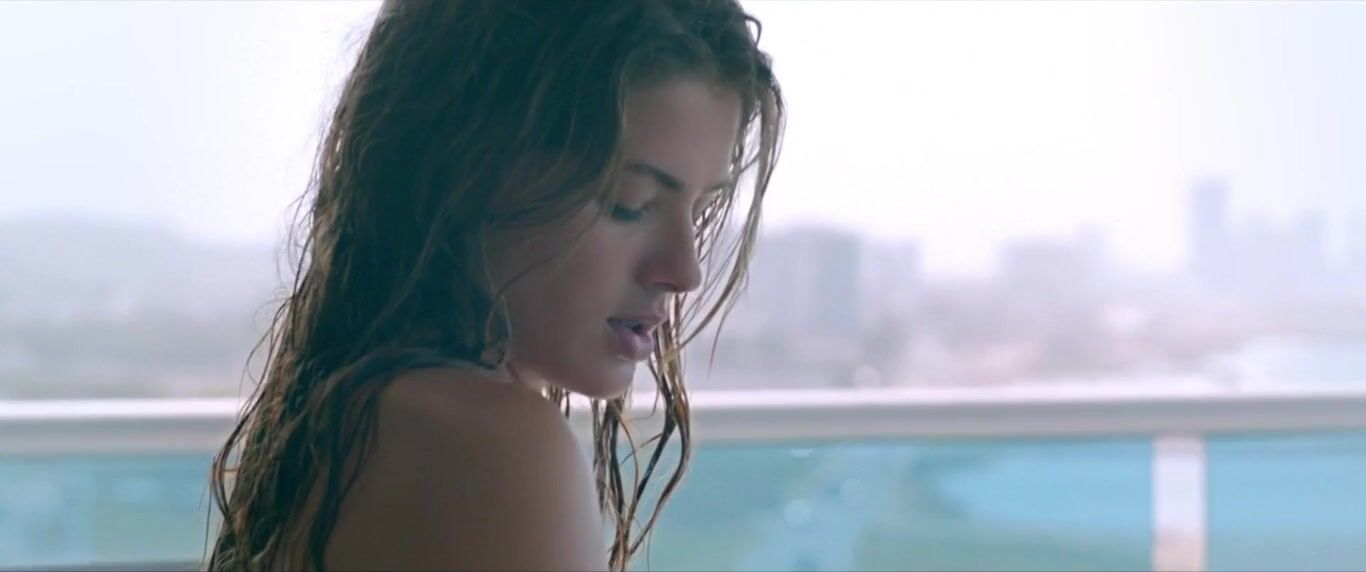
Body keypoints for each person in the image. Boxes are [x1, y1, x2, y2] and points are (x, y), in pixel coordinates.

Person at [205, 1, 784, 570]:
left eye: (701, 212)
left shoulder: (359, 415)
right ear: (466, 171)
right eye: (629, 204)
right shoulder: (487, 445)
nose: (685, 272)